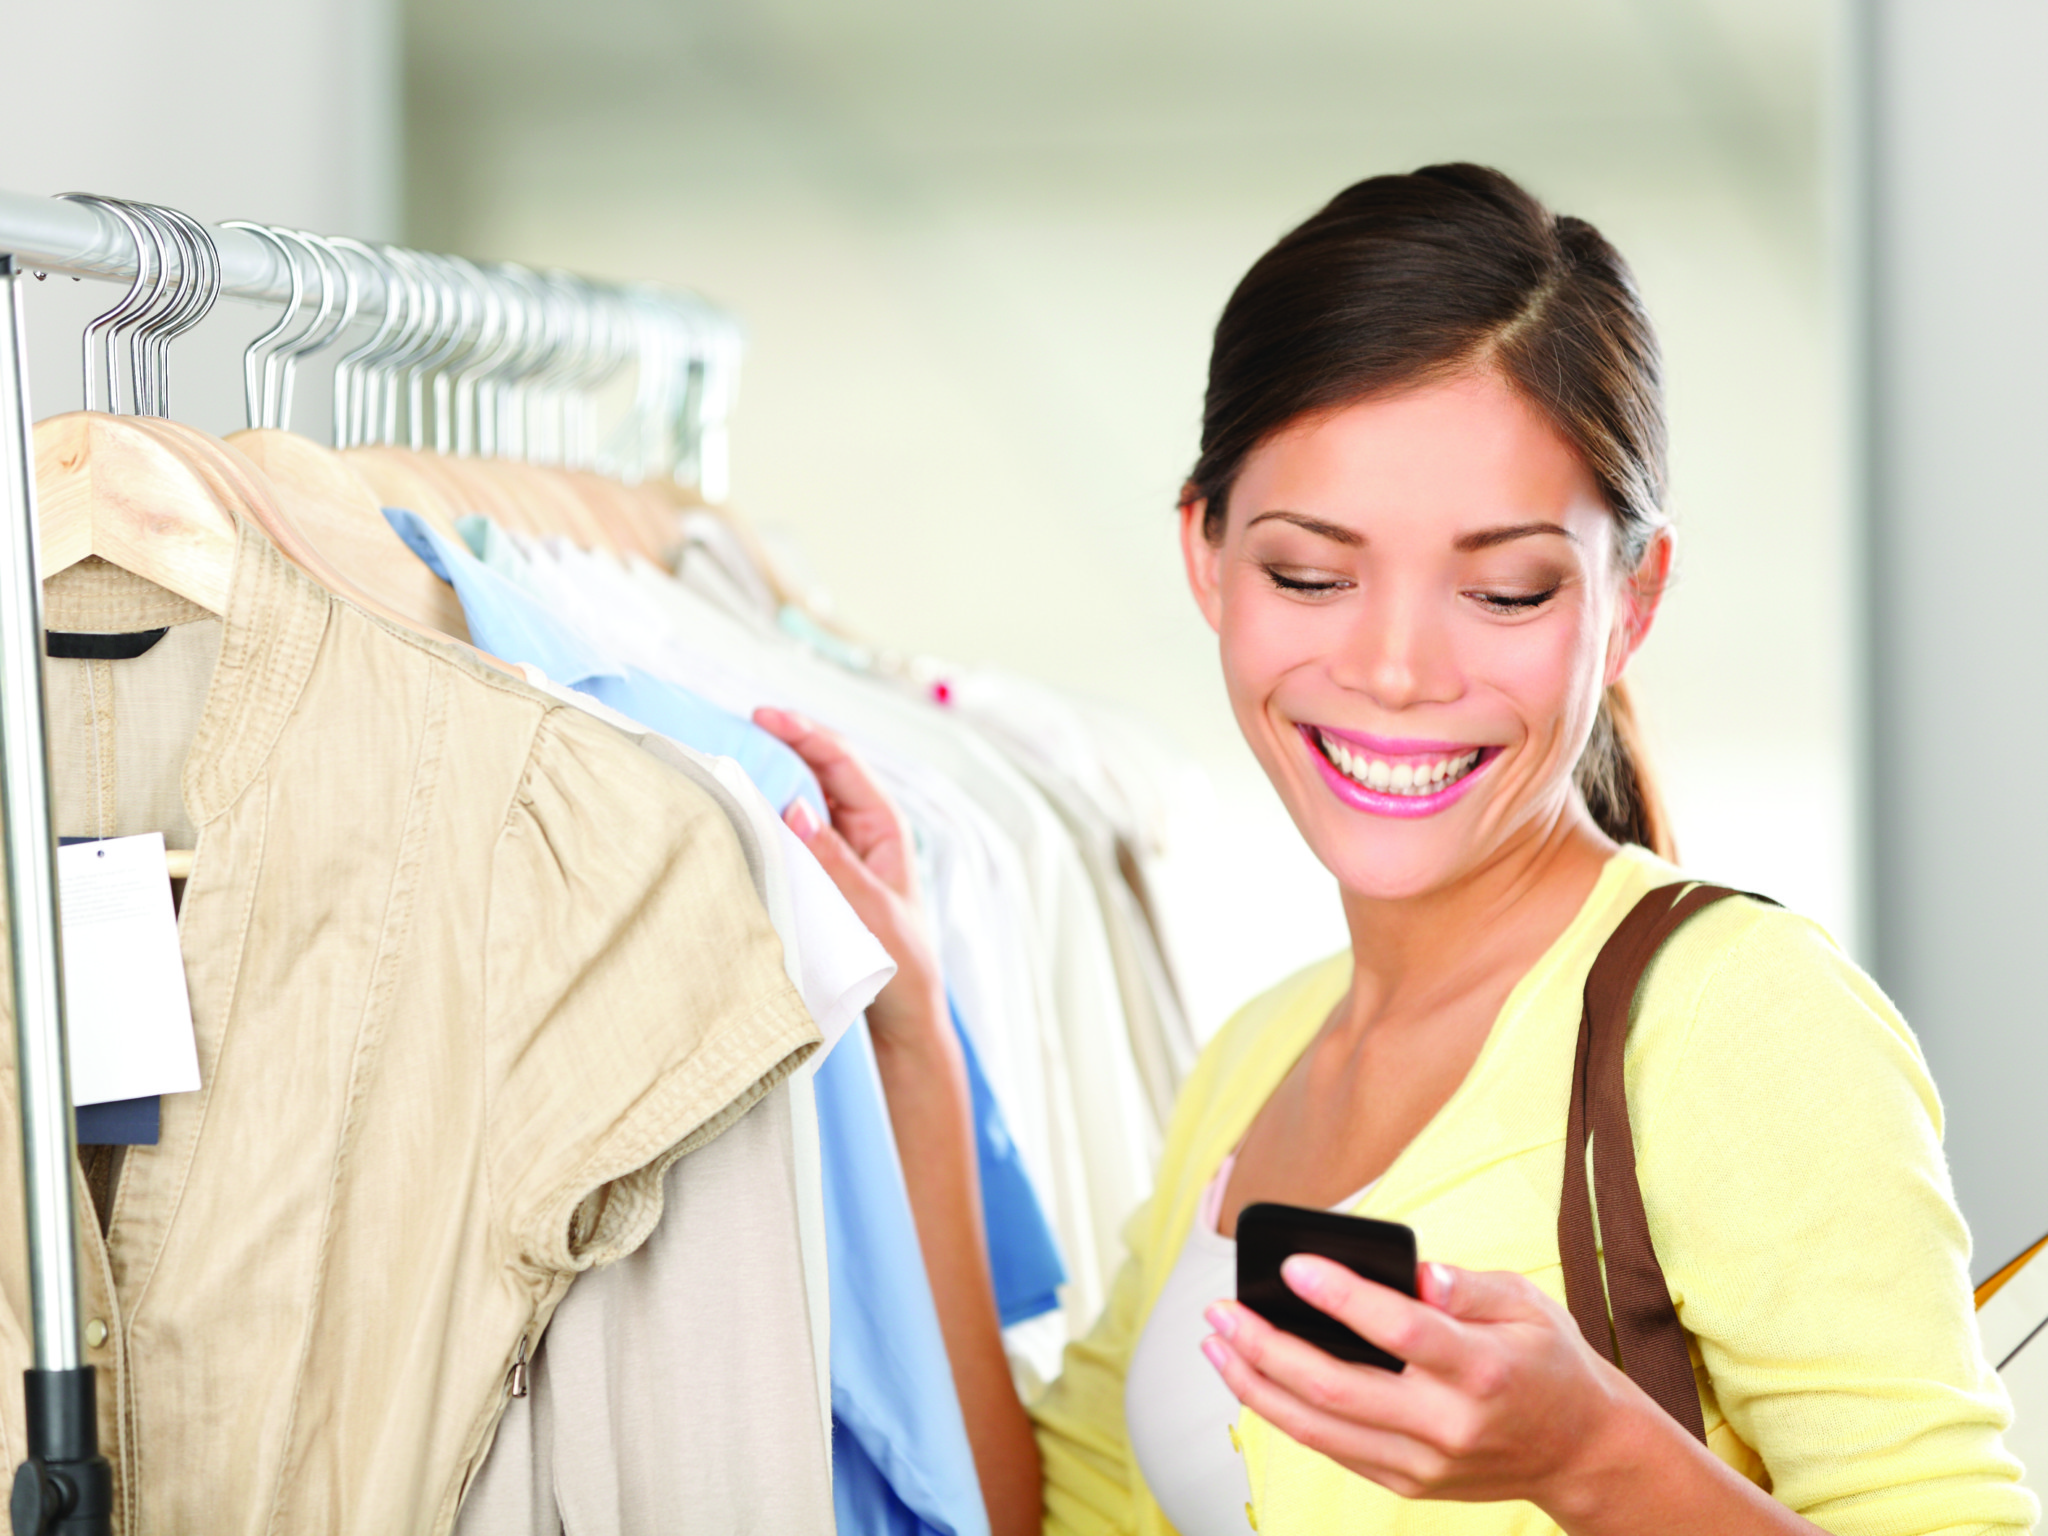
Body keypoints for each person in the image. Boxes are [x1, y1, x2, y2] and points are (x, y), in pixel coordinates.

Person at [756, 164, 2036, 1536]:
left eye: (1504, 589)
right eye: (1310, 572)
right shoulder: (1257, 1061)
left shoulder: (1739, 1015)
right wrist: (917, 1044)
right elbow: (1042, 1521)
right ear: (1207, 556)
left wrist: (1589, 1451)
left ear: (1631, 602)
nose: (1394, 669)